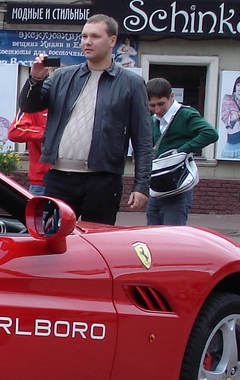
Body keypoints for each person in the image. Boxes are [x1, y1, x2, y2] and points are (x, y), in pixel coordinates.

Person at [19, 14, 152, 225]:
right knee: (50, 236)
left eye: (95, 36)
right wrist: (35, 79)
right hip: (59, 177)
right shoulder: (62, 76)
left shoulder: (131, 83)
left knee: (95, 239)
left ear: (112, 40)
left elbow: (143, 138)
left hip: (102, 180)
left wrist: (141, 185)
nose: (87, 42)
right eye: (84, 36)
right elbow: (29, 106)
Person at [144, 78, 219, 226]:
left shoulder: (185, 114)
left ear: (172, 96)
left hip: (178, 186)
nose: (157, 110)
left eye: (161, 104)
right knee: (153, 233)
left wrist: (182, 151)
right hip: (157, 185)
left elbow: (211, 133)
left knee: (172, 234)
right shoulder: (154, 119)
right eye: (152, 105)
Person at [8, 110, 49, 195]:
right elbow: (15, 132)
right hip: (41, 181)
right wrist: (49, 133)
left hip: (74, 180)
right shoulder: (34, 106)